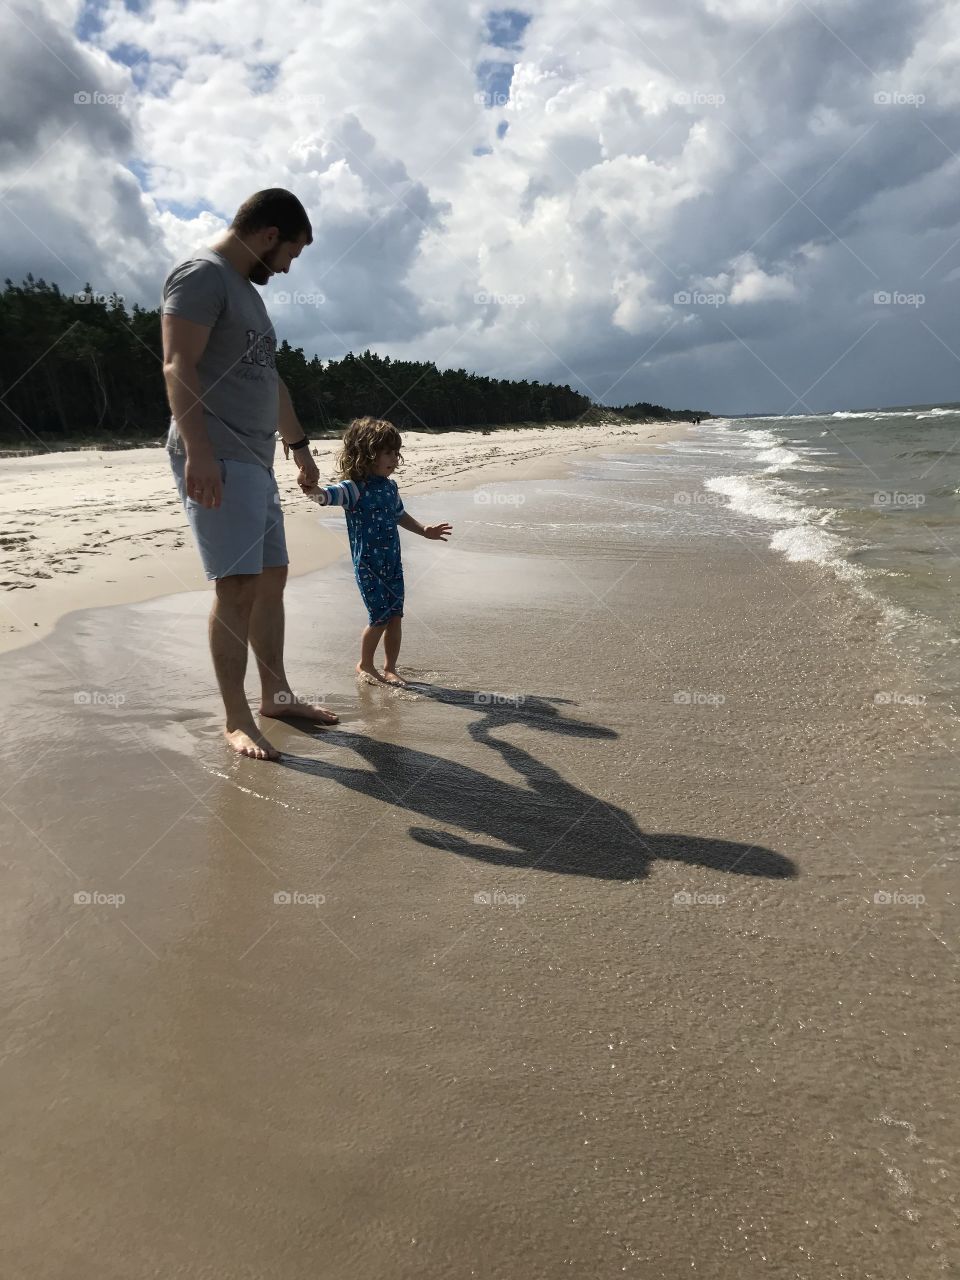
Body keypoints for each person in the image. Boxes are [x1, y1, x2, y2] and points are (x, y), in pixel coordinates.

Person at [162, 187, 339, 761]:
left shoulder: (247, 295)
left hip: (256, 459)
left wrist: (300, 447)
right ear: (268, 236)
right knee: (235, 587)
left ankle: (276, 695)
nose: (287, 267)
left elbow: (272, 380)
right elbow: (177, 363)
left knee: (272, 578)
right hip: (218, 453)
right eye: (290, 253)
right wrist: (200, 451)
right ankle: (236, 718)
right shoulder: (201, 275)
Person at [302, 417, 452, 686]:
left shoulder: (390, 487)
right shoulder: (353, 488)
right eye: (388, 453)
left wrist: (425, 530)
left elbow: (400, 515)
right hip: (368, 565)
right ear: (367, 454)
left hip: (392, 563)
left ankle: (390, 668)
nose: (394, 459)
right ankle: (365, 664)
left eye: (396, 452)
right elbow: (325, 497)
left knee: (396, 616)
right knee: (380, 616)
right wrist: (310, 488)